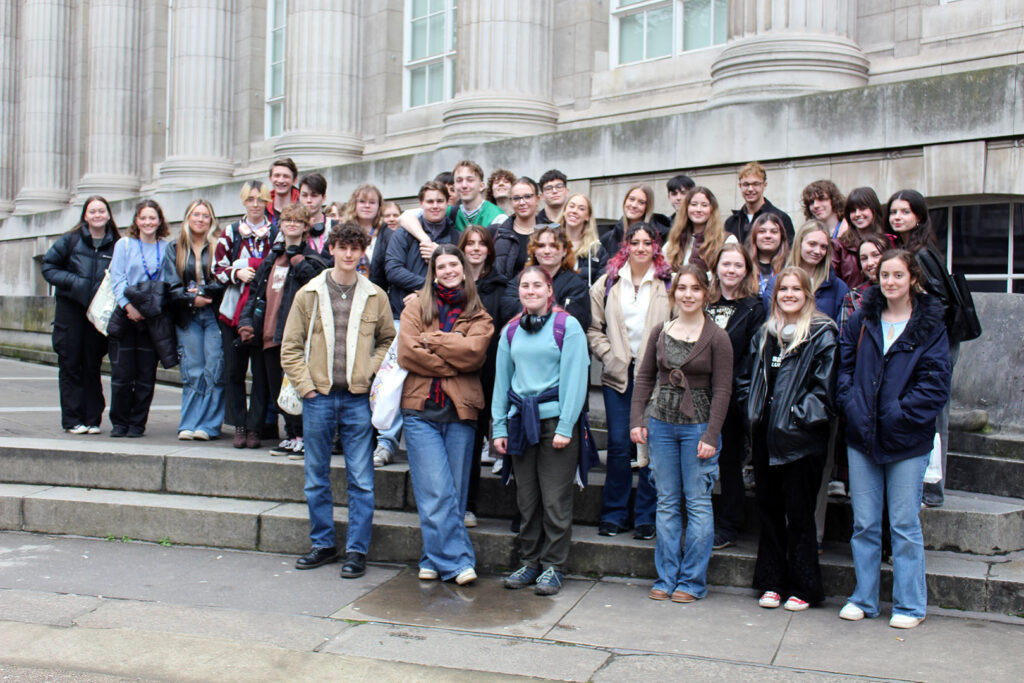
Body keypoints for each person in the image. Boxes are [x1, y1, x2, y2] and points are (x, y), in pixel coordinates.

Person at [836, 250, 951, 629]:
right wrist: (852, 405)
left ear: (912, 278)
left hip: (907, 440)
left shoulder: (930, 325)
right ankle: (864, 598)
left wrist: (898, 414)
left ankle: (909, 605)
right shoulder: (863, 320)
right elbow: (845, 368)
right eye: (884, 275)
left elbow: (935, 384)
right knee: (865, 523)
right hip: (862, 434)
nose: (889, 282)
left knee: (903, 524)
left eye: (897, 275)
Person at [281, 222, 395, 579]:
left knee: (361, 477)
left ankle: (357, 550)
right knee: (316, 475)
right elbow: (291, 347)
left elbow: (388, 340)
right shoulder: (310, 293)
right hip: (319, 397)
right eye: (343, 247)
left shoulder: (375, 295)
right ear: (332, 248)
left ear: (363, 251)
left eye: (355, 248)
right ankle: (323, 544)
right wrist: (308, 387)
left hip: (357, 398)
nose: (349, 254)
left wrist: (369, 371)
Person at [735, 266, 838, 612]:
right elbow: (745, 380)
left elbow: (824, 392)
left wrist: (796, 417)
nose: (789, 294)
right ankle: (771, 582)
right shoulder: (766, 334)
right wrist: (751, 411)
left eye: (796, 289)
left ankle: (804, 585)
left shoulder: (821, 334)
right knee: (769, 511)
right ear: (775, 295)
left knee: (800, 515)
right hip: (765, 436)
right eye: (783, 289)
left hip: (800, 441)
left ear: (807, 294)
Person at [631, 265, 733, 602]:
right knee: (667, 502)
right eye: (682, 288)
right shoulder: (662, 330)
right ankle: (666, 577)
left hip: (699, 427)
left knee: (699, 503)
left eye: (695, 289)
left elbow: (722, 391)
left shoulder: (717, 336)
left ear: (706, 293)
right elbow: (644, 377)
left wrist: (712, 436)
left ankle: (691, 581)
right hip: (661, 424)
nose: (688, 295)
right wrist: (637, 419)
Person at [398, 244, 493, 585]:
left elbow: (474, 355)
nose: (449, 270)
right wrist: (451, 355)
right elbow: (408, 353)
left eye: (454, 264)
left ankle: (431, 558)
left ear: (464, 270)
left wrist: (432, 341)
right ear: (433, 271)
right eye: (442, 266)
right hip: (421, 410)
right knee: (435, 489)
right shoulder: (416, 308)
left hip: (461, 412)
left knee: (453, 491)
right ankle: (457, 563)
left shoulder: (481, 317)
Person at [493, 265, 589, 596]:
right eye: (525, 286)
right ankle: (529, 561)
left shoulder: (568, 327)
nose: (530, 290)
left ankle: (553, 566)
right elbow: (501, 382)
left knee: (554, 499)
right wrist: (498, 426)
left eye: (538, 285)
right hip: (521, 422)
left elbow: (576, 380)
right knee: (527, 498)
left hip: (554, 424)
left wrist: (565, 426)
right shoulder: (510, 331)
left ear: (550, 290)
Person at [588, 223, 673, 540]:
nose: (640, 247)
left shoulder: (668, 283)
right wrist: (608, 355)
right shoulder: (609, 282)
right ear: (625, 247)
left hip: (656, 378)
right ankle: (614, 513)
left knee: (652, 447)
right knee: (620, 446)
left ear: (655, 246)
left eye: (646, 242)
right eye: (634, 242)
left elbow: (683, 325)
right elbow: (592, 327)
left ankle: (646, 517)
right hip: (618, 376)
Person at [885, 189, 961, 509]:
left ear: (918, 216)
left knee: (934, 414)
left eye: (904, 211)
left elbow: (939, 303)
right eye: (893, 212)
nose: (897, 217)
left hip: (935, 344)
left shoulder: (922, 253)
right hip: (924, 342)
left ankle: (933, 489)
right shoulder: (905, 249)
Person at [380, 182, 461, 466]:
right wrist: (427, 286)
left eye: (440, 200)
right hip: (405, 316)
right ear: (421, 204)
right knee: (396, 377)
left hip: (443, 317)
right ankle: (386, 441)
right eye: (430, 201)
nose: (435, 205)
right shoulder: (404, 234)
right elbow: (393, 270)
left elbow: (458, 273)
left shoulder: (455, 234)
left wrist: (431, 290)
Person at [238, 204, 329, 458]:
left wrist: (298, 262)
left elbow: (318, 284)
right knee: (279, 389)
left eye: (297, 221)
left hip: (295, 336)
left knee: (298, 387)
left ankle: (303, 436)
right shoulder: (272, 257)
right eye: (287, 219)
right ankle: (290, 435)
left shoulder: (310, 256)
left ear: (305, 226)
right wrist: (246, 322)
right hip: (268, 335)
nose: (291, 224)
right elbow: (255, 294)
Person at [41, 195, 121, 434]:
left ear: (108, 215)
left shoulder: (117, 243)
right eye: (93, 211)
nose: (97, 215)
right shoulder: (70, 241)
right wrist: (75, 283)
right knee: (70, 364)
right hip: (71, 312)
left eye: (102, 211)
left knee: (92, 365)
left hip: (97, 314)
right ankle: (73, 419)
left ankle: (92, 418)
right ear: (85, 215)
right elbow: (48, 267)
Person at [705, 244, 765, 549]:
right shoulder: (703, 302)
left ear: (747, 271)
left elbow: (753, 354)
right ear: (716, 267)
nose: (731, 270)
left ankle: (728, 524)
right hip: (699, 394)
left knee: (729, 461)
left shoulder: (755, 307)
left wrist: (729, 387)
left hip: (732, 396)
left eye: (738, 265)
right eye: (726, 264)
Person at [215, 181, 277, 448]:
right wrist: (236, 273)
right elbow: (217, 268)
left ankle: (255, 427)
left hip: (263, 310)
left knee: (261, 374)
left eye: (260, 199)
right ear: (243, 202)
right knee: (234, 371)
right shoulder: (230, 232)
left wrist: (257, 268)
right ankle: (239, 424)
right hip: (234, 312)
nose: (255, 204)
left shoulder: (275, 232)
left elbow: (279, 263)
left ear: (267, 202)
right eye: (250, 199)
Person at [160, 199, 225, 440]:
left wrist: (204, 293)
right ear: (188, 218)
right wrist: (191, 299)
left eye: (205, 216)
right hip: (188, 316)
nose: (200, 219)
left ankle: (209, 425)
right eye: (195, 215)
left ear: (211, 220)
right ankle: (189, 422)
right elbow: (170, 284)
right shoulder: (174, 247)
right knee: (192, 369)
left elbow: (223, 279)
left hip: (214, 315)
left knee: (214, 369)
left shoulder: (219, 246)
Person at [106, 200, 172, 437]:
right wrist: (128, 307)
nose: (148, 222)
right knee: (122, 374)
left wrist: (147, 310)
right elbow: (118, 278)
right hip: (126, 317)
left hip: (151, 319)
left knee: (146, 375)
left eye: (152, 218)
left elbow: (165, 283)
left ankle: (137, 423)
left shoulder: (166, 248)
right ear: (136, 220)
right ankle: (119, 422)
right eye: (143, 218)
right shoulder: (124, 245)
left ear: (160, 220)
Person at [457, 225, 507, 526]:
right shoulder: (451, 283)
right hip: (460, 375)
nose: (475, 248)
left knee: (488, 439)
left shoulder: (502, 287)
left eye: (481, 243)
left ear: (489, 249)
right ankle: (464, 504)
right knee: (467, 443)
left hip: (493, 373)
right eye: (469, 243)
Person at [500, 225, 591, 330]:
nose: (547, 251)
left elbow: (574, 321)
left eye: (553, 245)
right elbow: (507, 309)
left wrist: (532, 308)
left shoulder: (576, 285)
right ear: (534, 250)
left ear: (565, 250)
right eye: (541, 246)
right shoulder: (520, 280)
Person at [763, 220, 849, 323]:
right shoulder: (777, 282)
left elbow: (841, 332)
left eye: (823, 247)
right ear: (800, 243)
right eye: (812, 244)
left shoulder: (838, 287)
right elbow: (770, 324)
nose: (817, 251)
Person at [663, 186, 738, 273]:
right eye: (694, 204)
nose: (698, 209)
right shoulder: (674, 241)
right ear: (686, 208)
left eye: (704, 205)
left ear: (712, 209)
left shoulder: (727, 240)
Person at [724, 162, 795, 243]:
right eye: (746, 184)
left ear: (764, 185)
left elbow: (788, 251)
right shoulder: (732, 222)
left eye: (756, 184)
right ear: (740, 186)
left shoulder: (781, 218)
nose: (750, 189)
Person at [599, 184, 671, 256]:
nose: (634, 205)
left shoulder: (662, 236)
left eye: (641, 202)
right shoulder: (608, 239)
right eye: (631, 199)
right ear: (625, 201)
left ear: (647, 207)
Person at [493, 177, 543, 281]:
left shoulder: (550, 231)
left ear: (538, 199)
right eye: (516, 198)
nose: (522, 202)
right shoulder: (499, 233)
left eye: (527, 196)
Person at [556, 193, 608, 287]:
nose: (575, 211)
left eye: (581, 208)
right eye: (571, 206)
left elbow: (600, 286)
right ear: (564, 211)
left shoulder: (596, 251)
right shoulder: (551, 244)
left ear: (587, 216)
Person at [839, 233, 890, 330]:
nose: (870, 263)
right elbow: (845, 338)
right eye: (864, 259)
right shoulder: (853, 296)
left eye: (876, 255)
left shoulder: (905, 289)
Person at [339, 184, 384, 277]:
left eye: (372, 202)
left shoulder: (386, 233)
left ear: (379, 206)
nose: (367, 206)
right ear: (354, 204)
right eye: (362, 201)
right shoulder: (341, 230)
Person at [745, 213, 790, 297]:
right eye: (762, 231)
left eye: (774, 232)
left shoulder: (790, 265)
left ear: (781, 237)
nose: (768, 236)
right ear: (754, 236)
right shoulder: (744, 265)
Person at [298, 173, 330, 262]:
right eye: (304, 195)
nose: (309, 200)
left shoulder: (335, 227)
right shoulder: (290, 226)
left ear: (324, 198)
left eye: (314, 195)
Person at [267, 157, 300, 226]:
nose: (281, 180)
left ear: (294, 181)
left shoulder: (302, 205)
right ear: (270, 178)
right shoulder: (262, 206)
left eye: (286, 176)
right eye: (277, 175)